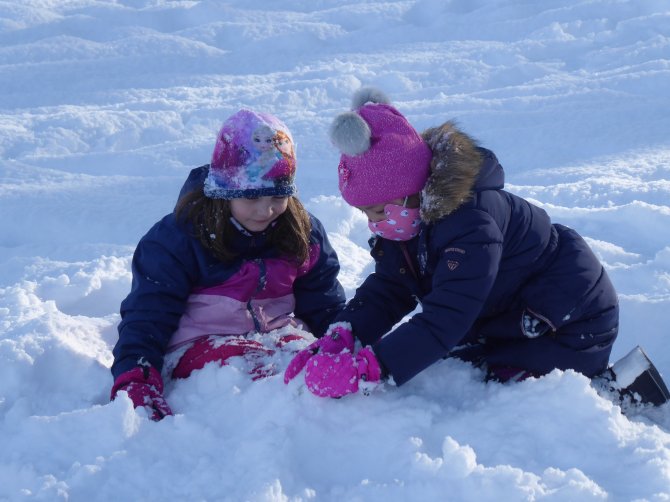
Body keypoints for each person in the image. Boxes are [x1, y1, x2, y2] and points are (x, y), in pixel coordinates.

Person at [284, 87, 670, 408]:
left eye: (379, 210)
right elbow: (390, 289)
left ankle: (614, 396)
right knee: (454, 365)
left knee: (504, 397)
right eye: (365, 214)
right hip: (507, 318)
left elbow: (446, 317)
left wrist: (372, 368)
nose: (374, 223)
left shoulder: (471, 223)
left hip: (568, 324)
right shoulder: (408, 220)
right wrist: (346, 333)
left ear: (411, 190)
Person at [111, 109, 346, 420]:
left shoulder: (302, 232)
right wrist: (136, 377)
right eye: (251, 198)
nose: (266, 210)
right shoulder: (179, 239)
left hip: (278, 336)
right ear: (225, 192)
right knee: (260, 371)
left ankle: (322, 422)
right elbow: (148, 314)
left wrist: (347, 342)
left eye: (278, 197)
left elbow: (323, 302)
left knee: (308, 360)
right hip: (199, 344)